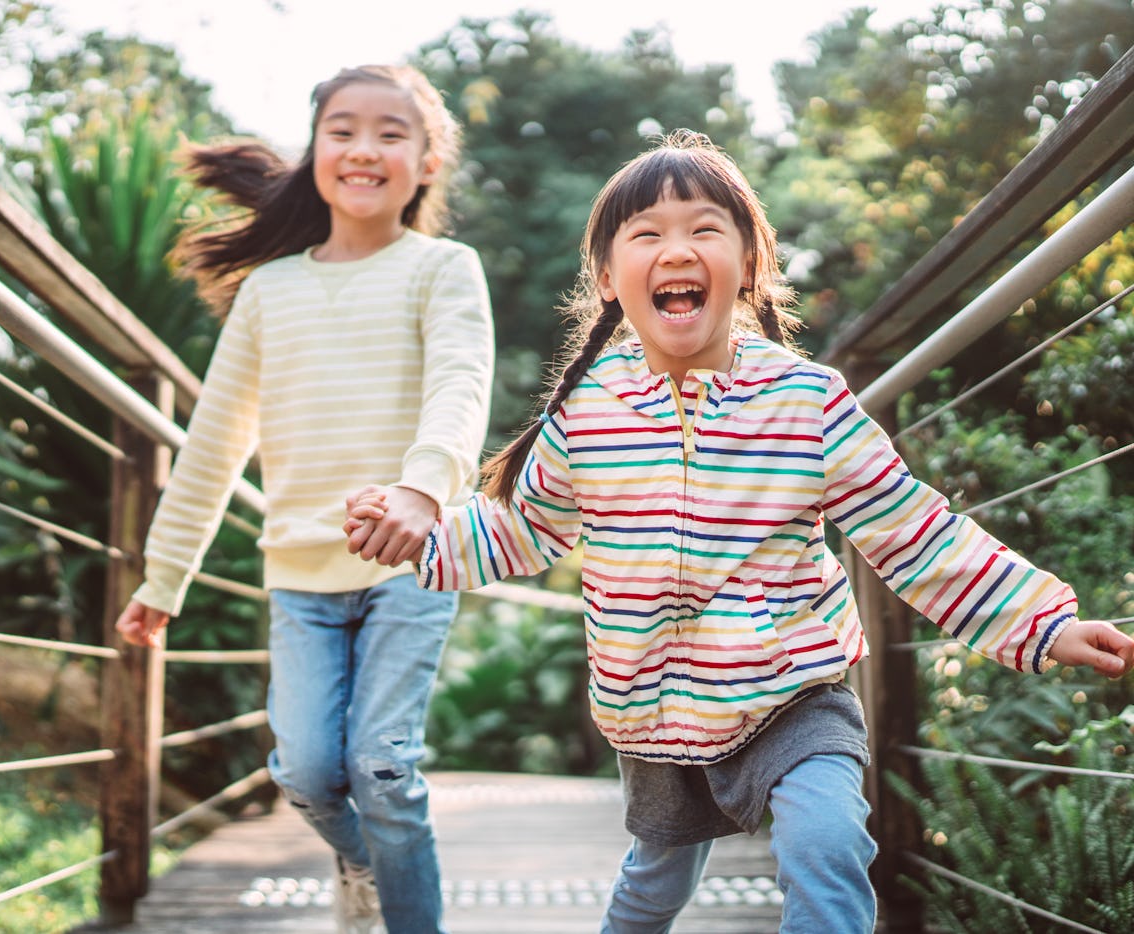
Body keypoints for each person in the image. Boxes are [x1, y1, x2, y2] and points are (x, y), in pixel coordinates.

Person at [344, 129, 1134, 933]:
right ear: (610, 280)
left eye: (704, 229)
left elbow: (916, 530)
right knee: (654, 889)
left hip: (793, 690)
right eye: (646, 235)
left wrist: (1046, 624)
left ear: (749, 266)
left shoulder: (807, 402)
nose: (676, 249)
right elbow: (523, 527)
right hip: (651, 707)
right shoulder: (588, 412)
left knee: (826, 845)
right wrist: (427, 539)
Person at [114, 64, 494, 934]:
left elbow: (461, 388)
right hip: (300, 578)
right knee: (308, 772)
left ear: (428, 161)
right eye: (344, 129)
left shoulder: (444, 268)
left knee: (384, 767)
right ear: (315, 149)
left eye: (391, 133)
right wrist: (162, 576)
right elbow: (213, 441)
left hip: (414, 562)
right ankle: (363, 866)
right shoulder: (268, 292)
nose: (365, 148)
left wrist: (422, 492)